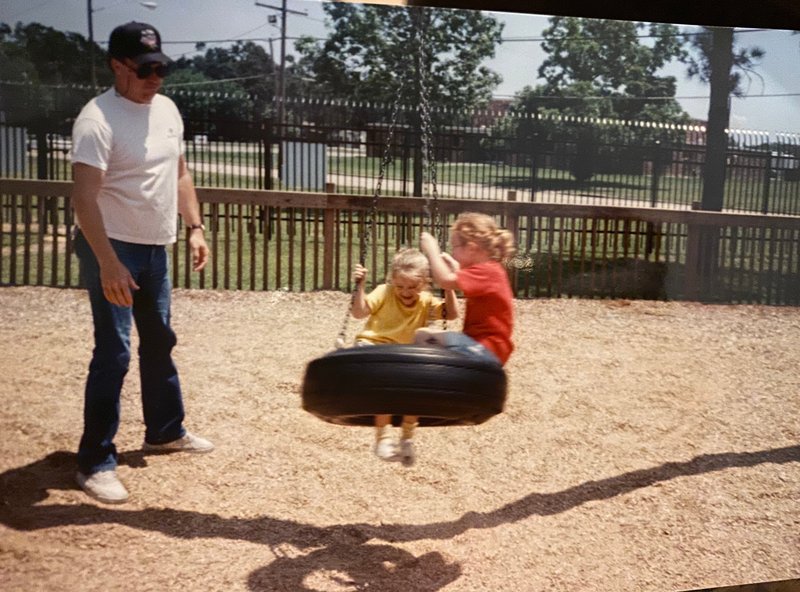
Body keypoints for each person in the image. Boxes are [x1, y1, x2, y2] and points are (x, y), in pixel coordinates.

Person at [70, 21, 213, 504]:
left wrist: (194, 227)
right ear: (118, 65)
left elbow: (180, 173)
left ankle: (165, 431)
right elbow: (85, 200)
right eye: (146, 69)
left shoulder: (167, 109)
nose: (156, 79)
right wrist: (108, 263)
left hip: (156, 246)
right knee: (114, 351)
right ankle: (95, 460)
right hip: (110, 244)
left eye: (161, 69)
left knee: (160, 340)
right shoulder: (97, 120)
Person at [350, 247, 458, 466]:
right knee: (383, 387)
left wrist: (448, 288)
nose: (406, 292)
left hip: (406, 357)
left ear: (426, 283)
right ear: (392, 281)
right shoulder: (384, 292)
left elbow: (452, 313)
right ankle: (383, 438)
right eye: (400, 286)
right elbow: (359, 312)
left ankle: (407, 439)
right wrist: (360, 286)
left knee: (416, 389)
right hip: (376, 348)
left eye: (413, 287)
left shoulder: (426, 301)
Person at [417, 212, 515, 367]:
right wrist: (455, 269)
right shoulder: (491, 270)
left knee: (422, 336)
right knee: (428, 337)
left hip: (484, 347)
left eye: (454, 246)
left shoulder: (487, 272)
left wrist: (432, 250)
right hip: (489, 348)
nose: (453, 252)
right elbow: (458, 279)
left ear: (471, 248)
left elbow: (445, 280)